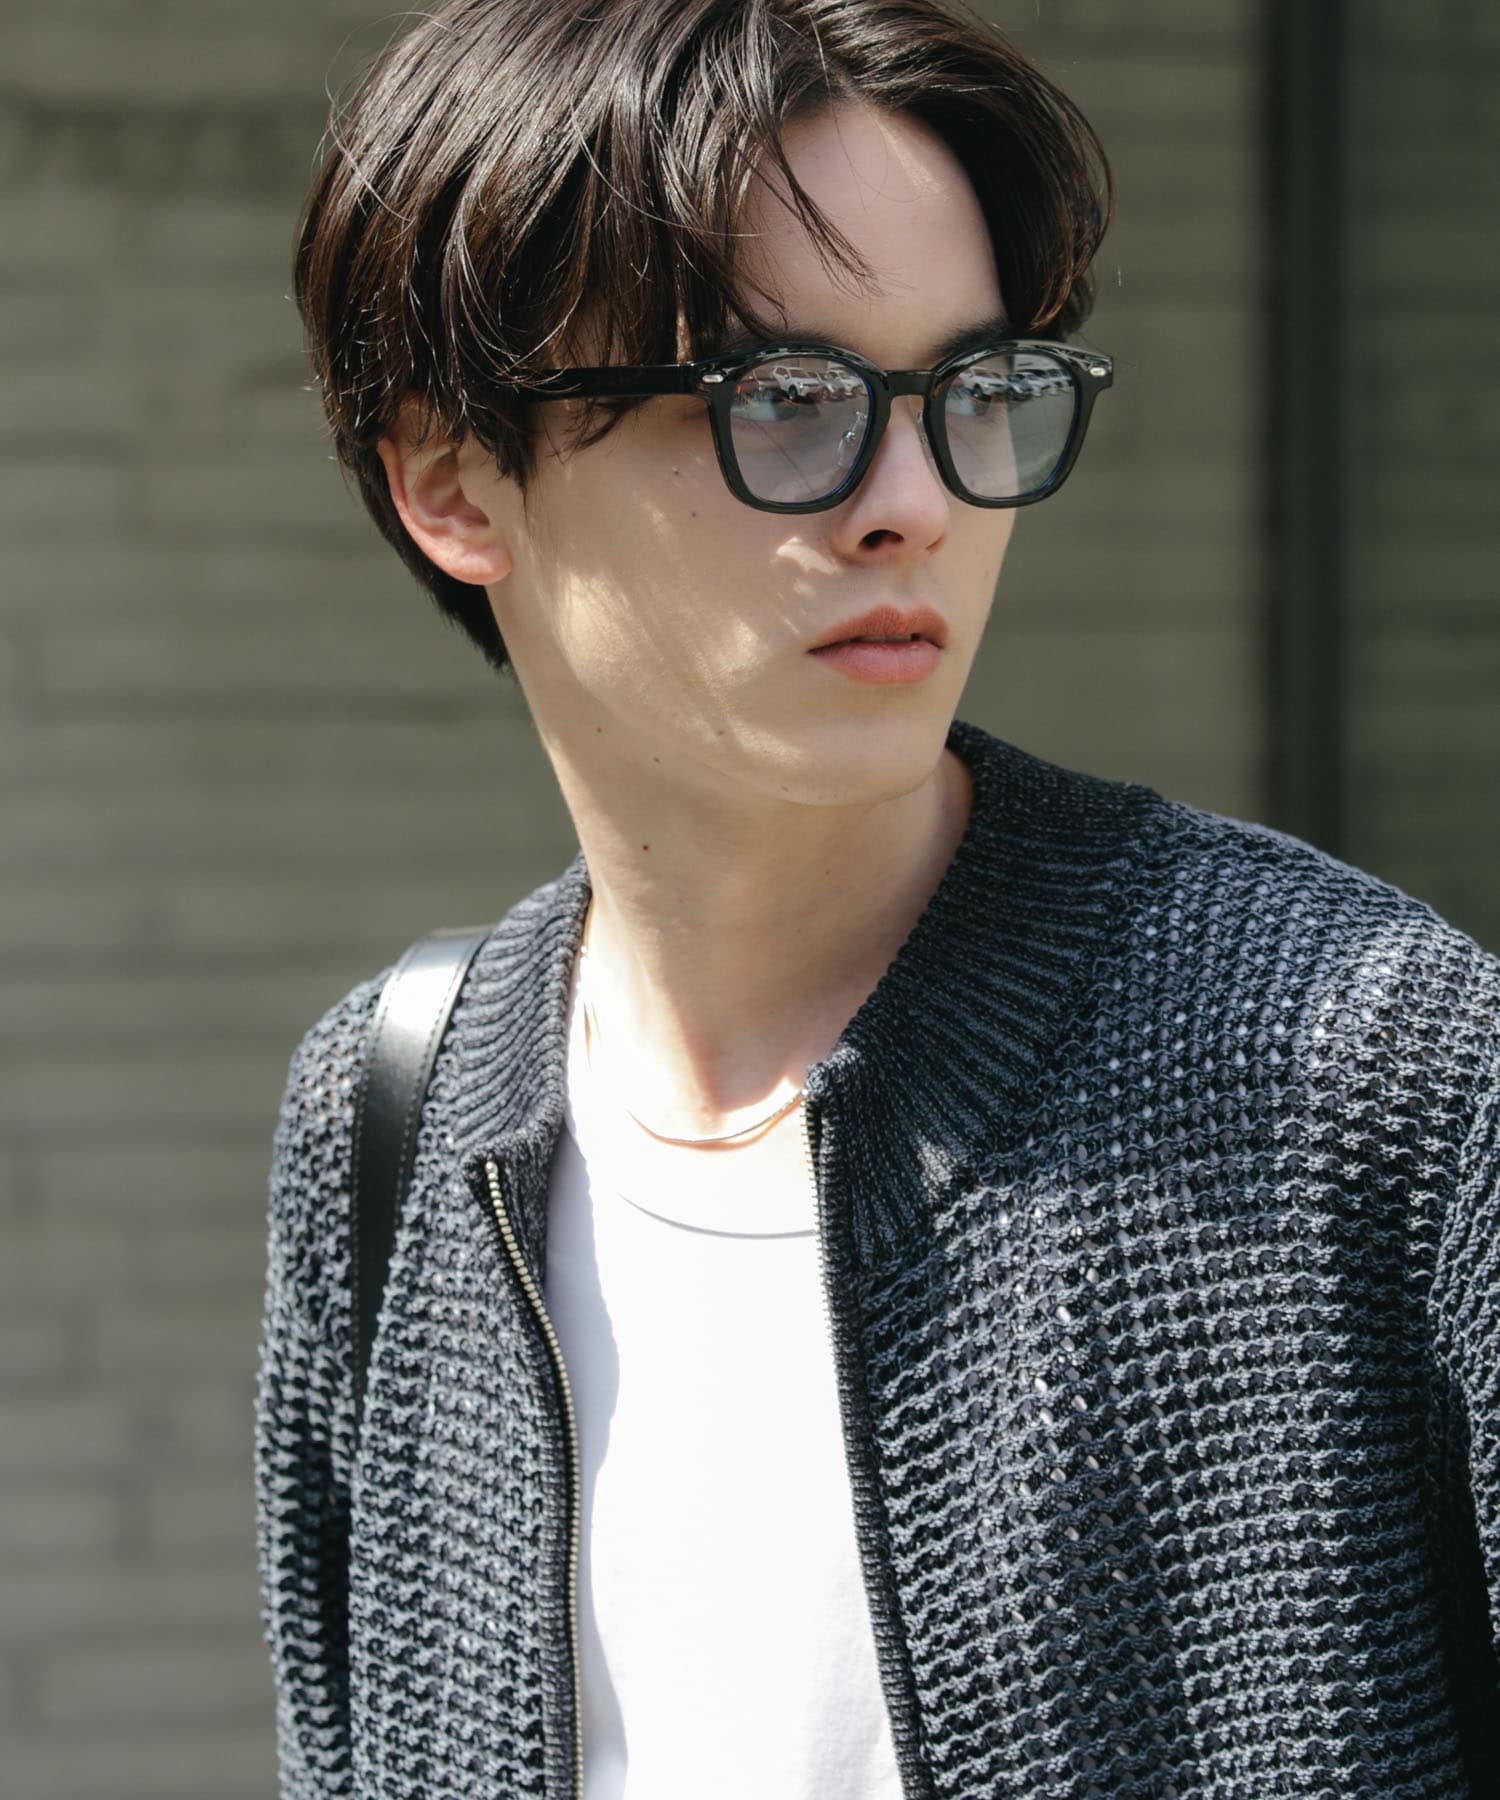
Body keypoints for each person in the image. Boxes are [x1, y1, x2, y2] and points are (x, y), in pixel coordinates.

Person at [254, 1, 1500, 1795]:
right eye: (784, 399)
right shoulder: (387, 1118)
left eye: (970, 391)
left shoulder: (1372, 1074)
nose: (912, 501)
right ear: (455, 481)